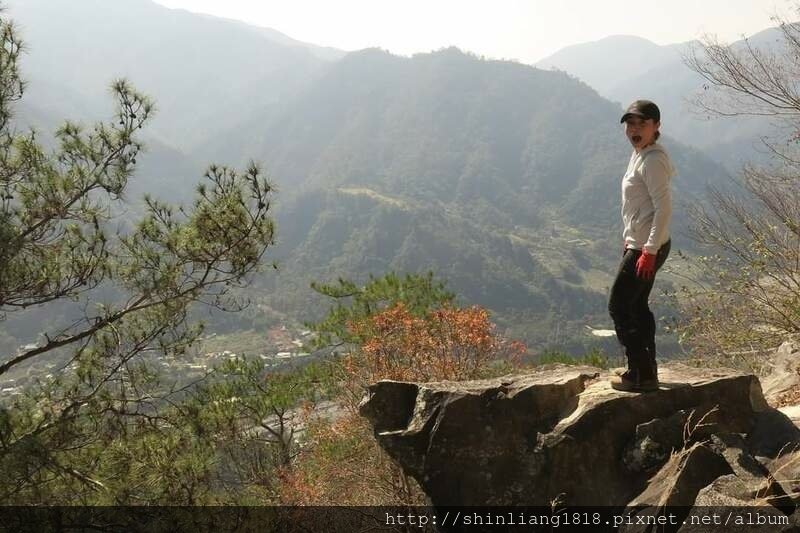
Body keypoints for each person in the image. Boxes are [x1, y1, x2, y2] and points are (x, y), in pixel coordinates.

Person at [609, 100, 674, 392]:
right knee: (637, 306)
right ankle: (647, 370)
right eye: (630, 124)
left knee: (619, 305)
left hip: (648, 247)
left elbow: (663, 209)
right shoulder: (639, 154)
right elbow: (640, 205)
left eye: (642, 124)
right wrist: (631, 237)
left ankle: (639, 373)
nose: (634, 130)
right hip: (643, 243)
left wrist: (647, 250)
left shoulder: (652, 160)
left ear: (656, 126)